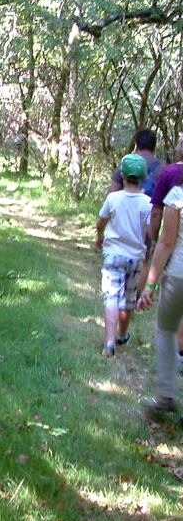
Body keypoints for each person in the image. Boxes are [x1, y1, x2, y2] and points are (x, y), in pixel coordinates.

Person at [96, 153, 151, 357]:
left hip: (113, 254)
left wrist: (100, 235)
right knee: (128, 299)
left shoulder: (113, 198)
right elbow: (150, 232)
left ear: (123, 175)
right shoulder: (148, 203)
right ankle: (122, 334)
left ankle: (109, 343)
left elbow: (101, 221)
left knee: (111, 296)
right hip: (135, 257)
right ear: (143, 177)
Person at [137, 174, 183, 422]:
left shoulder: (178, 196)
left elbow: (166, 243)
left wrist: (150, 286)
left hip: (178, 275)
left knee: (166, 329)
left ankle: (166, 395)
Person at [107, 128, 163, 196]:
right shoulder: (161, 170)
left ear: (136, 146)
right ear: (154, 147)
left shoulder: (126, 165)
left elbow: (112, 193)